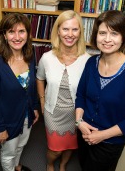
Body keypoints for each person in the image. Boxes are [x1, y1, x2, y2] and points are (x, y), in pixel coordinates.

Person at [75, 10, 125, 171]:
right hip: (83, 134)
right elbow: (80, 95)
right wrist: (79, 122)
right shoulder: (91, 63)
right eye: (102, 33)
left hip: (109, 144)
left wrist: (101, 135)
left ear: (123, 37)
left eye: (114, 33)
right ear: (96, 35)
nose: (107, 39)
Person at [36, 10, 90, 171]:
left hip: (75, 114)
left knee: (70, 146)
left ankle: (64, 165)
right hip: (53, 112)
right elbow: (39, 78)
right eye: (65, 29)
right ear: (58, 31)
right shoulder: (47, 57)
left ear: (80, 32)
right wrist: (42, 100)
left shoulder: (87, 60)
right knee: (54, 150)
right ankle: (50, 163)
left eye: (75, 29)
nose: (70, 34)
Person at [0, 13, 39, 171]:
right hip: (8, 119)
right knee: (8, 152)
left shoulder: (30, 55)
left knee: (21, 145)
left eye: (21, 31)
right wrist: (0, 128)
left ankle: (16, 167)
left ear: (28, 34)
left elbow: (32, 85)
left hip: (26, 113)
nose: (17, 37)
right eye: (11, 32)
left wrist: (35, 106)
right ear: (4, 35)